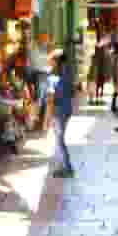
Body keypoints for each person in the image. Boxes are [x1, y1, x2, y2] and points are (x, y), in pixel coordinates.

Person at [47, 48, 76, 177]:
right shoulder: (68, 73)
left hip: (58, 111)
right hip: (67, 109)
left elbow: (51, 98)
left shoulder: (54, 76)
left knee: (59, 140)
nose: (49, 61)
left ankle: (67, 168)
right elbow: (72, 92)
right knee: (60, 139)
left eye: (51, 58)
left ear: (56, 61)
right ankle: (62, 166)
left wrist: (47, 116)